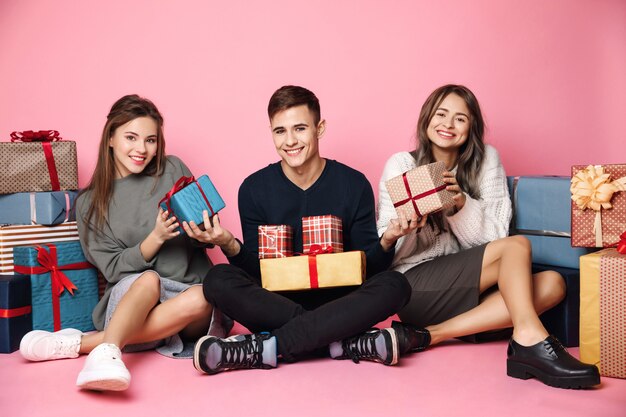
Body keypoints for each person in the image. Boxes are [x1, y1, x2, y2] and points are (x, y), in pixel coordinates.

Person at [185, 85, 426, 375]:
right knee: (217, 278)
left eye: (300, 128)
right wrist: (228, 244)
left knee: (395, 285)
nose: (290, 141)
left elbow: (368, 270)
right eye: (280, 131)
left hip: (342, 301)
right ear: (271, 133)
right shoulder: (253, 189)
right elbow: (257, 274)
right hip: (281, 306)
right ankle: (340, 341)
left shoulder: (353, 183)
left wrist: (387, 240)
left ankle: (266, 348)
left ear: (319, 128)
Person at [376, 84, 600, 389]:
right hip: (414, 284)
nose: (448, 125)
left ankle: (431, 334)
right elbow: (387, 248)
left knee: (553, 284)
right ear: (427, 118)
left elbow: (495, 236)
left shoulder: (485, 161)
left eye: (460, 119)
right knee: (518, 246)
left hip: (467, 287)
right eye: (441, 114)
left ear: (471, 128)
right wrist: (402, 231)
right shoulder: (402, 163)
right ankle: (530, 342)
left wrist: (461, 205)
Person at [19, 94, 218, 392]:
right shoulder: (90, 202)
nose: (141, 149)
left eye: (150, 140)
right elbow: (112, 269)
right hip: (134, 296)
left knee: (207, 296)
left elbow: (202, 234)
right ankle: (109, 351)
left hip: (187, 296)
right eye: (131, 137)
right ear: (110, 137)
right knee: (149, 280)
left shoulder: (173, 169)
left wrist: (203, 231)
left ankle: (82, 344)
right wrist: (156, 238)